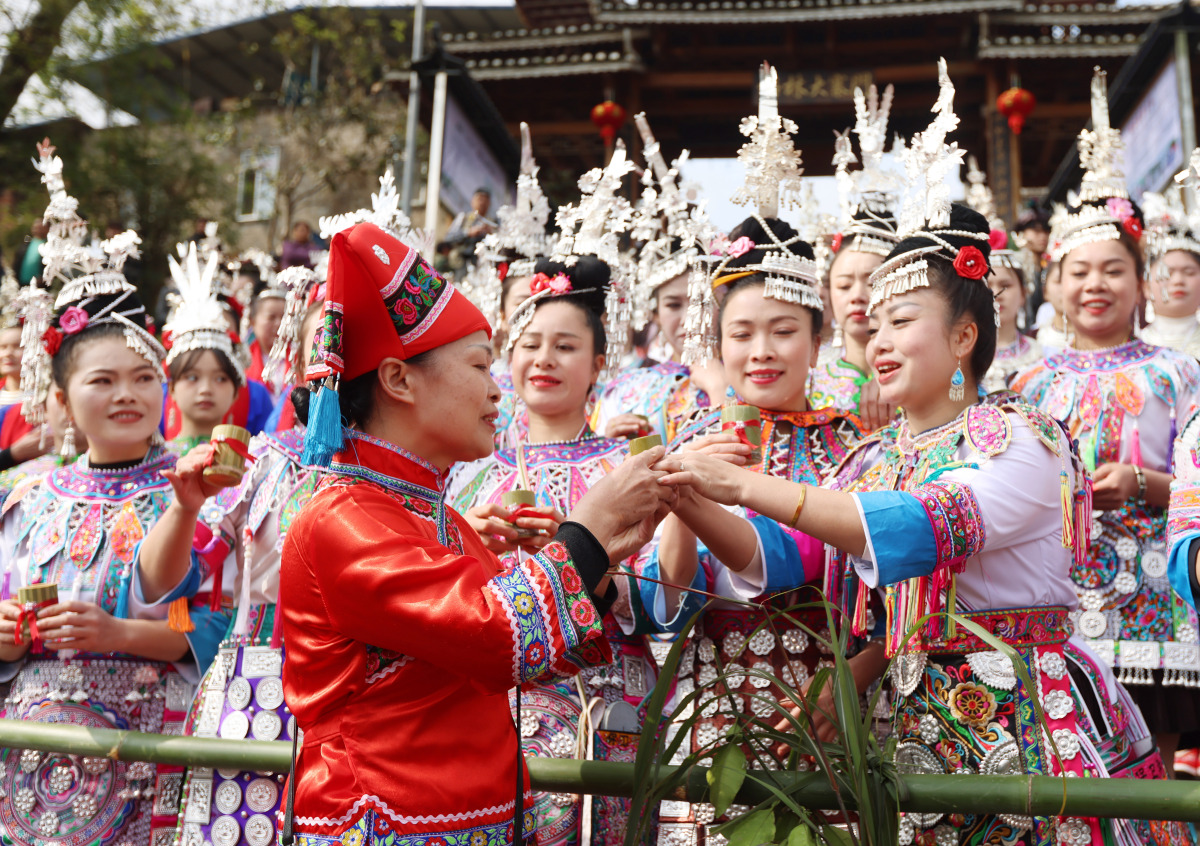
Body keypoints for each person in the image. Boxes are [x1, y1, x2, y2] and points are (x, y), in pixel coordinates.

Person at [658, 204, 1187, 846]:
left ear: (964, 338)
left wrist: (742, 484)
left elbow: (926, 527)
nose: (877, 342)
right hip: (913, 723)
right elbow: (784, 556)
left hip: (1025, 714)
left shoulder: (1017, 439)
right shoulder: (876, 460)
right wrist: (681, 490)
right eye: (875, 325)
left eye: (901, 322)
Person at [277, 220, 673, 846]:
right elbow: (500, 636)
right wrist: (589, 528)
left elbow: (536, 657)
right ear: (398, 379)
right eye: (482, 366)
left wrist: (610, 550)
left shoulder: (435, 515)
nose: (497, 390)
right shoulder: (343, 519)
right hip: (384, 823)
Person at [0, 141, 197, 846]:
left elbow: (209, 627)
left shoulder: (201, 491)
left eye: (144, 379)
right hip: (22, 756)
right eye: (103, 381)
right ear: (58, 398)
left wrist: (123, 635)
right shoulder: (19, 500)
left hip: (151, 754)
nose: (127, 395)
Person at [1012, 68, 1200, 770]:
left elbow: (1193, 484)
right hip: (1058, 596)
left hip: (1154, 600)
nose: (1096, 284)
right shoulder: (1028, 382)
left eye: (1114, 269)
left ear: (1141, 282)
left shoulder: (1179, 375)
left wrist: (1144, 484)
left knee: (1153, 775)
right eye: (1079, 271)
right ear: (1054, 284)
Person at [451, 254, 658, 846]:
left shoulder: (624, 470)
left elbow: (660, 600)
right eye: (530, 344)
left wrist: (581, 559)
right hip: (489, 712)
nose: (543, 359)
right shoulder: (465, 475)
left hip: (604, 709)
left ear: (597, 366)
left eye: (565, 347)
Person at [137, 289, 326, 846]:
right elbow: (168, 580)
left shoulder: (441, 472)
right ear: (296, 351)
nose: (339, 357)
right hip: (263, 689)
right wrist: (184, 506)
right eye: (326, 341)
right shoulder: (261, 461)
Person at [591, 113, 723, 443]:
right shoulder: (626, 391)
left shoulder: (760, 378)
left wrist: (722, 388)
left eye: (701, 301)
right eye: (674, 304)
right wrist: (606, 444)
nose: (689, 317)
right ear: (654, 313)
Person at [808, 85, 900, 430]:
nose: (858, 295)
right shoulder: (808, 379)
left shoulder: (928, 378)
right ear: (828, 290)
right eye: (844, 284)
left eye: (873, 281)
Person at [162, 243, 248, 453]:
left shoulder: (255, 468)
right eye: (192, 377)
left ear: (236, 391)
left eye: (220, 378)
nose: (206, 390)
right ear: (172, 388)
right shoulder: (153, 466)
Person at [1141, 187, 1200, 357]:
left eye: (1189, 272)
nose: (1178, 281)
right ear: (1145, 286)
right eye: (1166, 273)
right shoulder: (1133, 348)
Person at [981, 242, 1041, 392]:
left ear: (1023, 293)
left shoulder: (1039, 354)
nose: (996, 294)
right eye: (987, 286)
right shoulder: (963, 358)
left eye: (1005, 286)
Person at [15, 218, 48, 285]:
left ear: (47, 228)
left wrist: (44, 278)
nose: (37, 230)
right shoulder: (26, 243)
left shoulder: (48, 245)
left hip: (40, 285)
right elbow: (17, 259)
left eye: (40, 227)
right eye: (35, 227)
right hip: (22, 283)